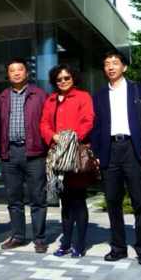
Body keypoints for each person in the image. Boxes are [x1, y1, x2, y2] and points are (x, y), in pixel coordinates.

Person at [91, 51, 141, 265]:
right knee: (112, 201)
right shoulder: (99, 95)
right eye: (107, 64)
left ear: (124, 67)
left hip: (133, 148)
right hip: (109, 150)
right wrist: (97, 153)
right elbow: (96, 126)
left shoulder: (138, 89)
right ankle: (118, 247)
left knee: (139, 201)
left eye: (115, 63)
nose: (111, 67)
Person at [40, 64, 95, 258]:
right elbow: (44, 123)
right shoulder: (51, 99)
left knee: (78, 200)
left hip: (75, 153)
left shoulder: (83, 97)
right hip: (57, 155)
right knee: (65, 201)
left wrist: (70, 138)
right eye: (59, 79)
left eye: (67, 78)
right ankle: (66, 242)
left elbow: (88, 120)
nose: (63, 81)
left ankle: (79, 244)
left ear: (73, 78)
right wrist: (53, 136)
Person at [0, 58, 48, 253]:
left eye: (20, 70)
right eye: (12, 70)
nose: (16, 73)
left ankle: (39, 238)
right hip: (10, 153)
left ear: (27, 73)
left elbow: (47, 122)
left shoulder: (40, 95)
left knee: (38, 198)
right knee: (13, 198)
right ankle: (18, 236)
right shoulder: (2, 97)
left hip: (34, 152)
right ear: (8, 75)